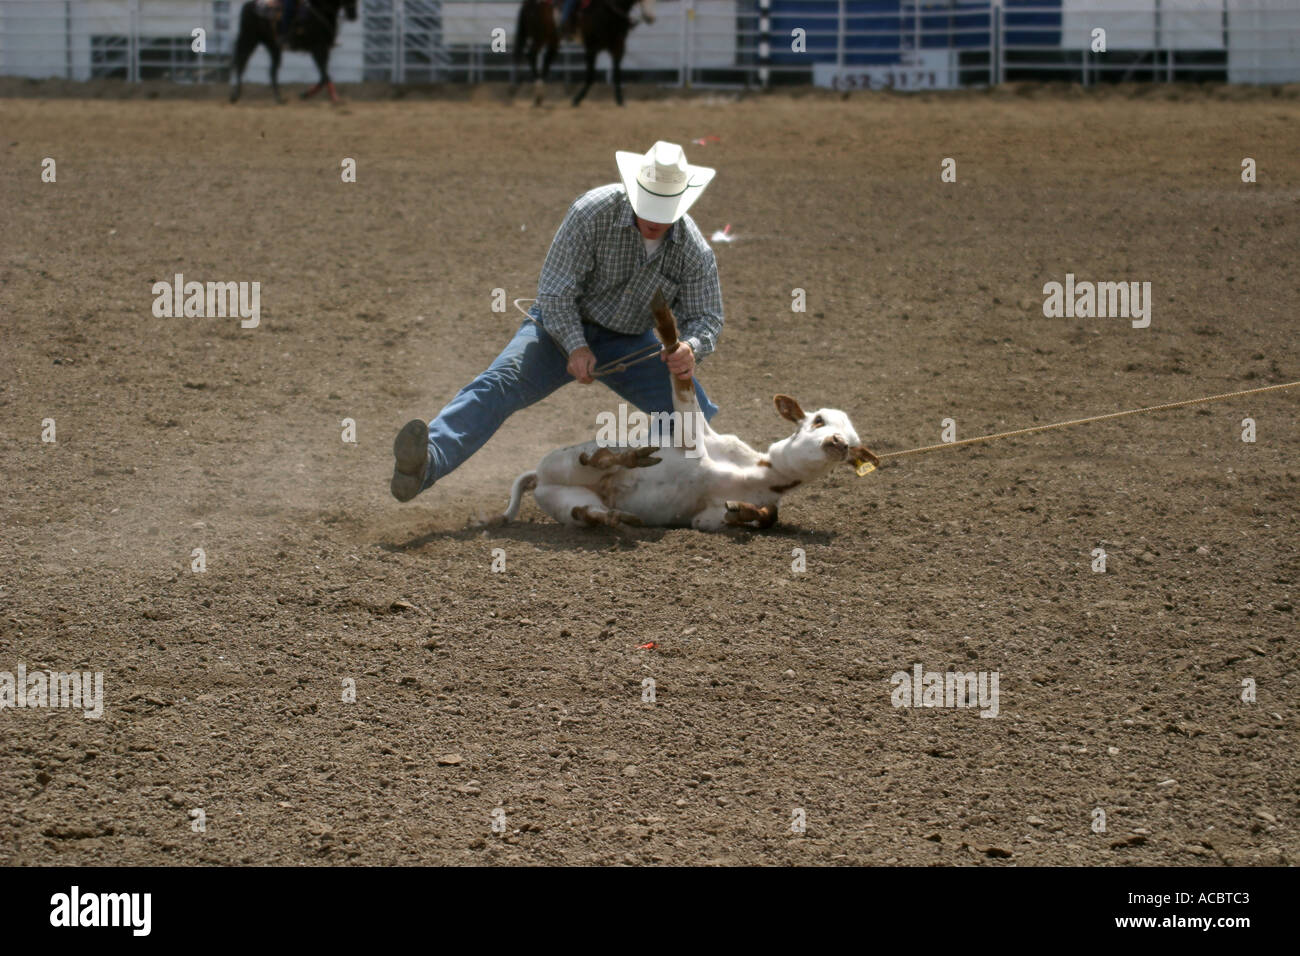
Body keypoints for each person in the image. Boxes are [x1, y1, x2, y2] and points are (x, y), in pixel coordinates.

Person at [391, 140, 725, 504]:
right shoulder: (591, 214)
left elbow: (706, 317)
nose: (656, 219)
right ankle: (428, 462)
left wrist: (691, 347)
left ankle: (666, 495)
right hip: (559, 326)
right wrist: (575, 344)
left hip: (631, 340)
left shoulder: (693, 250)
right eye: (650, 207)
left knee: (694, 418)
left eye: (666, 209)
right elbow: (555, 293)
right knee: (500, 383)